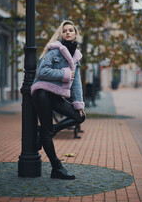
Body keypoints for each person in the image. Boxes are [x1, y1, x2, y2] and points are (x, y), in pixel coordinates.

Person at [31, 20, 86, 180]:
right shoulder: (54, 51)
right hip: (42, 92)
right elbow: (42, 71)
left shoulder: (76, 56)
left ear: (76, 34)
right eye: (65, 31)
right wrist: (65, 74)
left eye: (71, 30)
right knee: (47, 130)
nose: (68, 32)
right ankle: (57, 168)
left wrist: (78, 104)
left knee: (79, 117)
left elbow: (76, 83)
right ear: (61, 34)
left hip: (56, 94)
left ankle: (46, 132)